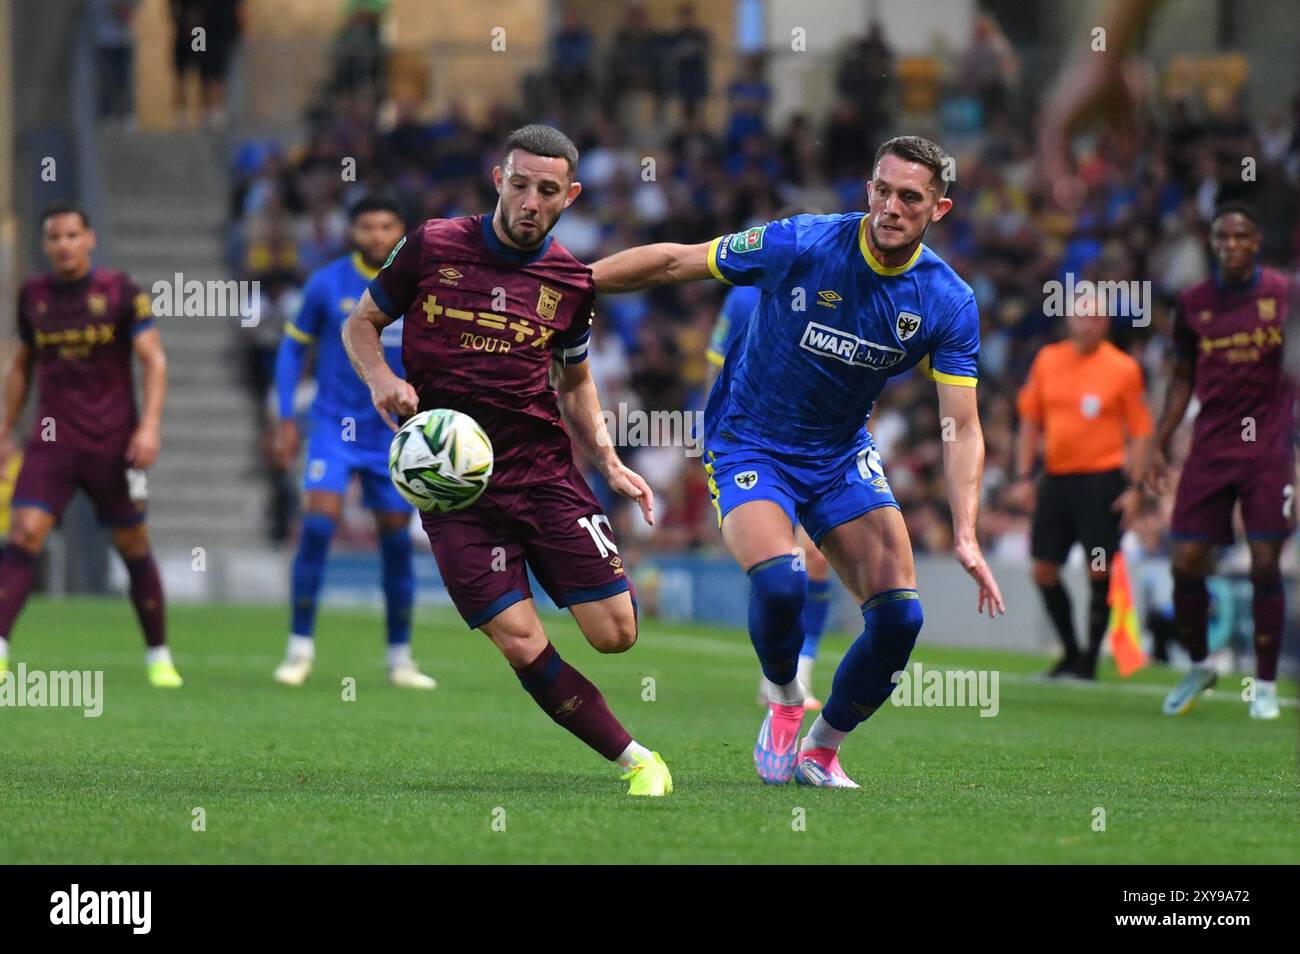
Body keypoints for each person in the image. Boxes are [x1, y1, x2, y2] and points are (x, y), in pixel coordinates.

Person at [592, 135, 1005, 788]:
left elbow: (962, 425)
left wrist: (965, 530)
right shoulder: (803, 242)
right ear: (868, 188)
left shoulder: (946, 300)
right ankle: (785, 698)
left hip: (839, 455)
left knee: (902, 617)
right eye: (882, 189)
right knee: (782, 580)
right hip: (749, 441)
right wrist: (575, 282)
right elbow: (676, 262)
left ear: (939, 209)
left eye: (910, 197)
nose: (891, 206)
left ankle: (823, 747)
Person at [341, 125, 672, 796]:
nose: (529, 200)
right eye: (519, 184)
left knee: (616, 634)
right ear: (499, 178)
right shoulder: (433, 246)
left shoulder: (570, 282)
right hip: (451, 488)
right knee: (520, 641)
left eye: (546, 190)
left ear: (569, 196)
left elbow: (576, 383)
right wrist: (381, 380)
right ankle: (638, 760)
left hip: (543, 474)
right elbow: (361, 324)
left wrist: (607, 462)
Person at [0, 205, 179, 687]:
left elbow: (154, 361)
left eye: (72, 235)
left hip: (114, 443)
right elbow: (20, 365)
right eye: (54, 236)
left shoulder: (120, 292)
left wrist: (150, 426)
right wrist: (4, 430)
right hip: (52, 441)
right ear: (45, 244)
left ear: (89, 239)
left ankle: (158, 654)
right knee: (23, 535)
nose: (63, 244)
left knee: (132, 543)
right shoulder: (33, 296)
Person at [270, 196, 436, 690]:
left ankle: (400, 657)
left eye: (387, 225)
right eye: (367, 226)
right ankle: (299, 649)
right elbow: (290, 348)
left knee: (395, 544)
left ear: (401, 229)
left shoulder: (422, 282)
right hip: (333, 427)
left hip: (395, 435)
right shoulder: (327, 283)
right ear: (353, 231)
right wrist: (283, 418)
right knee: (318, 527)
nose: (377, 235)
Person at [1148, 202, 1294, 720]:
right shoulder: (1193, 303)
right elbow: (1182, 377)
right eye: (1221, 237)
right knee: (1185, 561)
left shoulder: (1284, 294)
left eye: (1241, 236)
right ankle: (1200, 663)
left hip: (1268, 450)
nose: (1230, 245)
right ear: (1213, 244)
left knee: (1263, 560)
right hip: (1211, 446)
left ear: (1256, 243)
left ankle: (1268, 685)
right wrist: (1160, 440)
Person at [704, 209, 834, 710]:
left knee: (817, 558)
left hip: (823, 445)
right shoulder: (741, 295)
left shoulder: (834, 293)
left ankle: (800, 673)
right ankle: (777, 672)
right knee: (782, 566)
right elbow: (714, 369)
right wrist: (707, 434)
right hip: (750, 443)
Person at [1011, 307, 1152, 678]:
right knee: (1043, 569)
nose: (1087, 323)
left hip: (1101, 482)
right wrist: (1024, 476)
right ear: (1069, 318)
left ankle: (1089, 659)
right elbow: (1029, 420)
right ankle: (1071, 652)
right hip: (1056, 481)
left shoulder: (1123, 368)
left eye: (1095, 317)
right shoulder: (1047, 360)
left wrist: (1135, 487)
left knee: (1099, 569)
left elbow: (1139, 431)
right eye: (1081, 315)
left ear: (1105, 323)